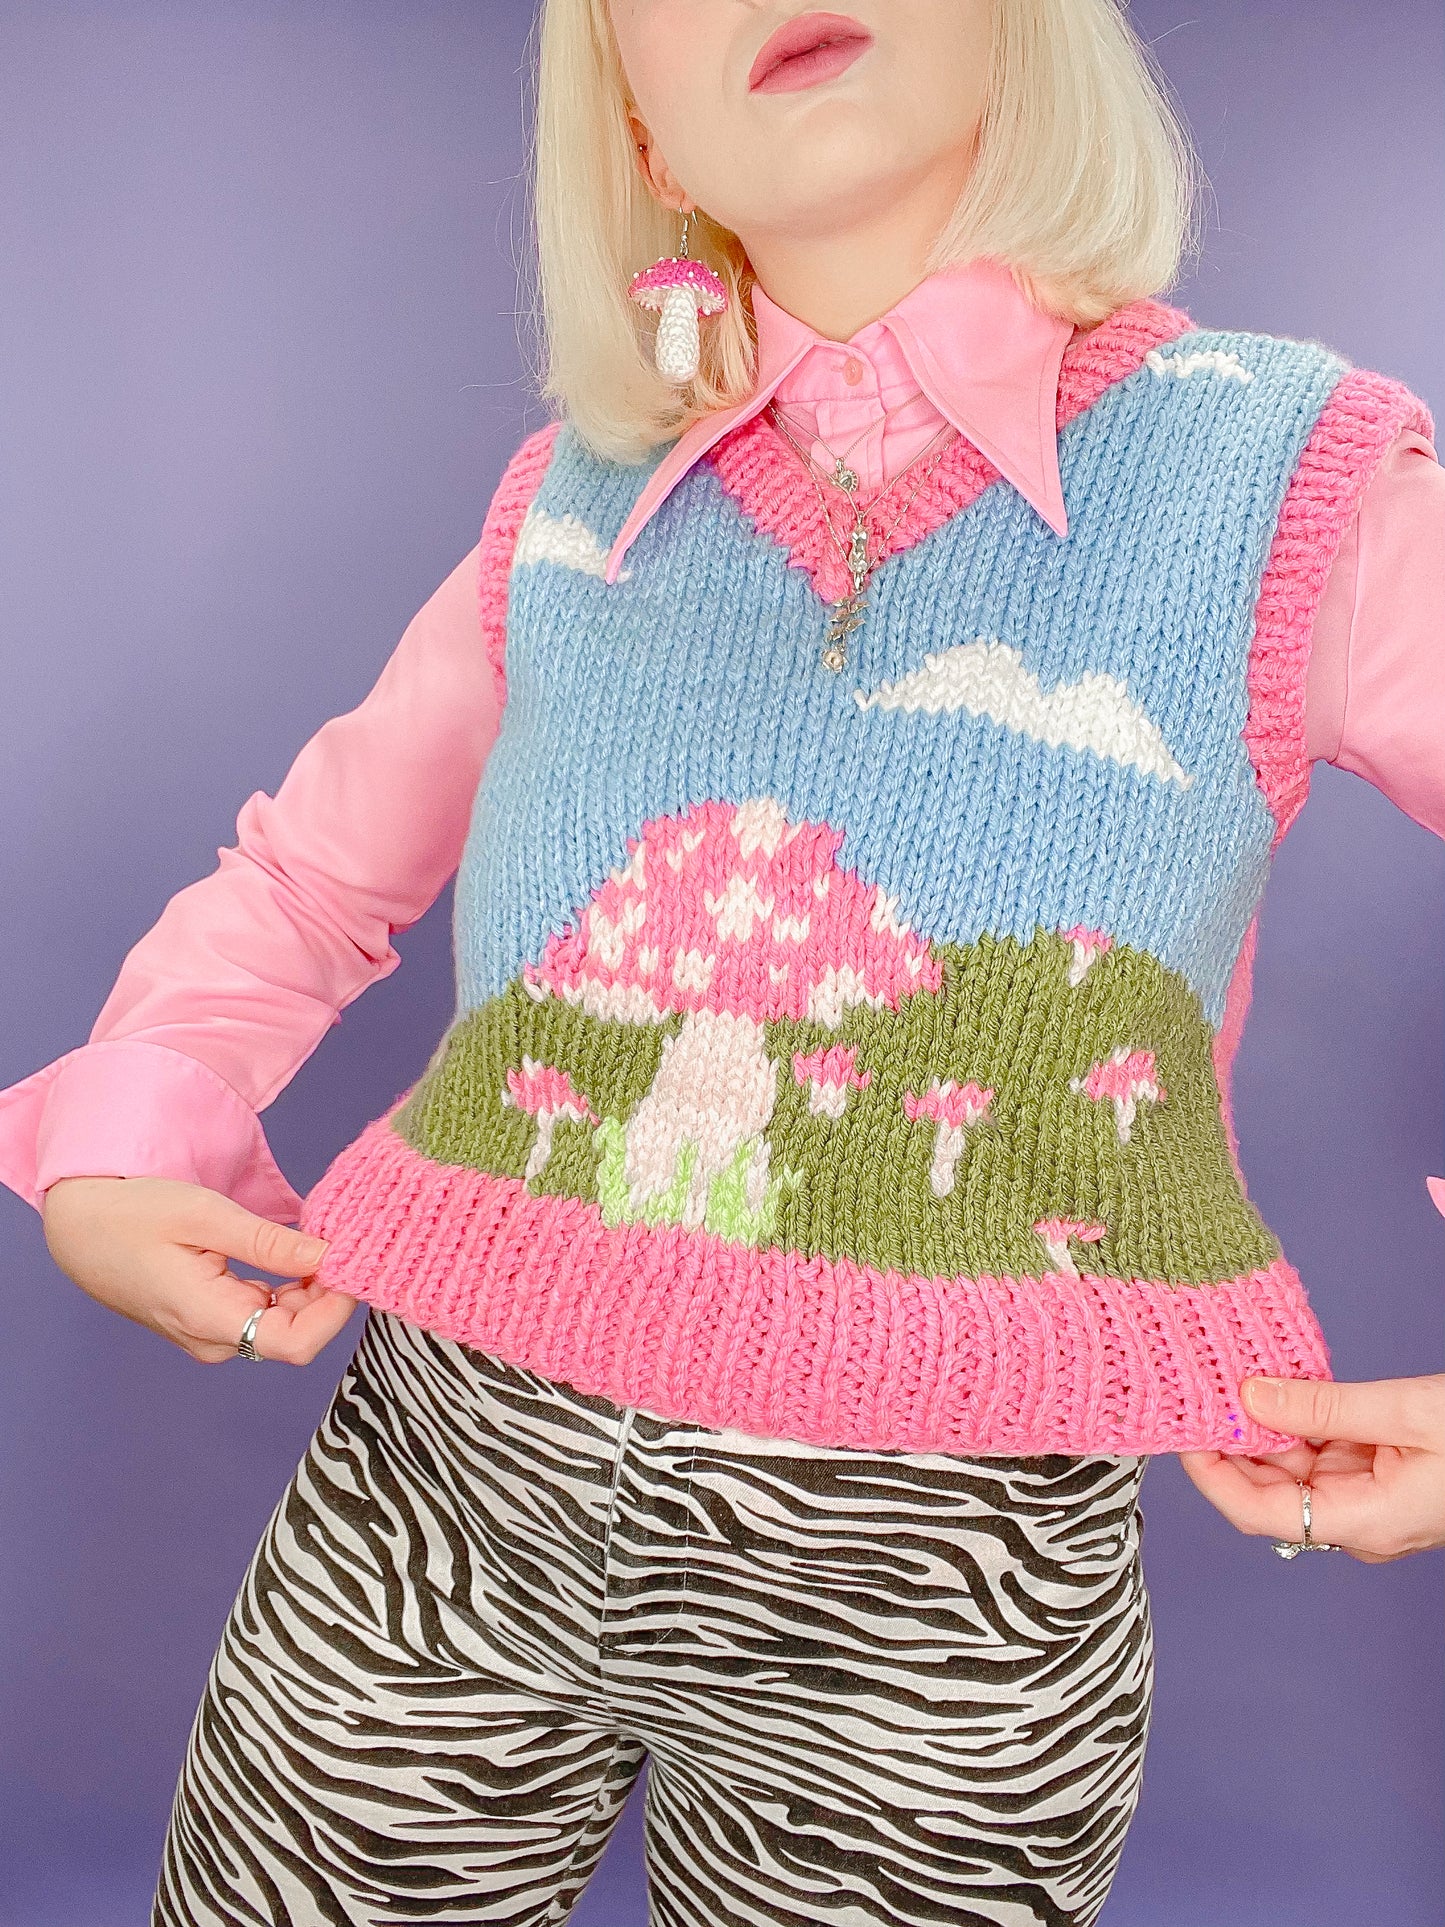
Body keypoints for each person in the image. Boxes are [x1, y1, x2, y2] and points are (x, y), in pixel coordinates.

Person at [4, 1, 1443, 1921]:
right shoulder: (567, 500)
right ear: (641, 131)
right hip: (436, 1506)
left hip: (948, 1599)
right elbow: (313, 874)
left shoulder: (1299, 480)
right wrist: (123, 1138)